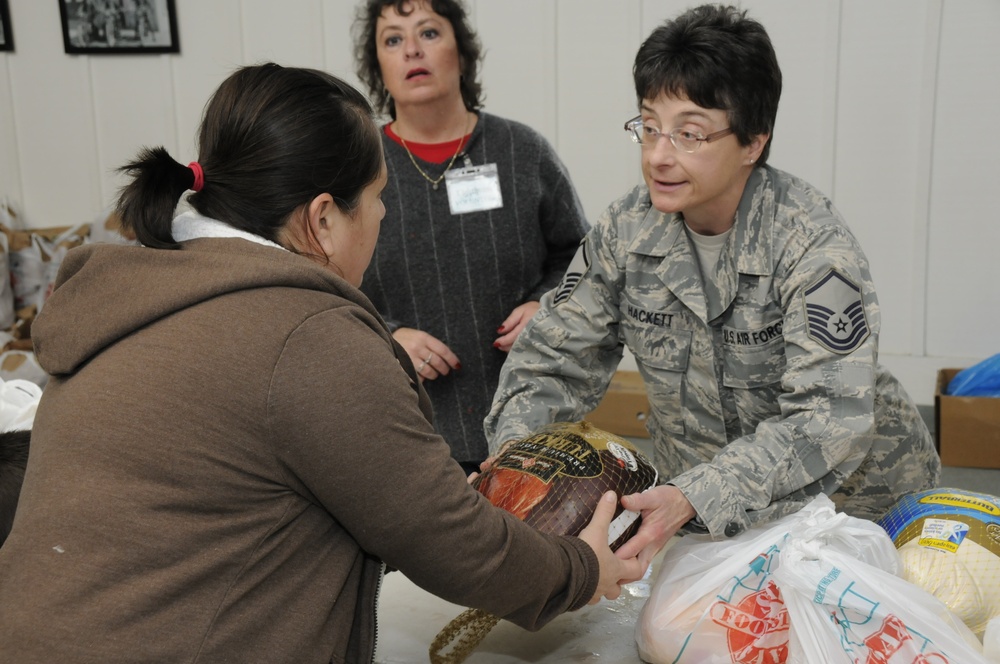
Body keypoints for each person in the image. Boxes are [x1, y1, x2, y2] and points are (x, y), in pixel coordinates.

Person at [0, 63, 642, 663]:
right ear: (323, 220)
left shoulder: (136, 297)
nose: (385, 215)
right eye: (378, 197)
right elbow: (455, 549)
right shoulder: (307, 336)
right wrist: (581, 570)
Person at [485, 4, 940, 568]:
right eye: (649, 127)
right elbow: (551, 359)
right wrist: (518, 459)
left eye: (689, 134)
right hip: (700, 518)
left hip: (852, 511)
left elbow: (827, 417)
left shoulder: (812, 246)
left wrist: (694, 495)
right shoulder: (626, 232)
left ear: (752, 142)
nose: (658, 155)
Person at [352, 0, 589, 473]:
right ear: (378, 66)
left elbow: (582, 258)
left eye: (429, 33)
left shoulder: (523, 150)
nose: (412, 51)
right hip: (402, 434)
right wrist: (387, 335)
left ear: (461, 52)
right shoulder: (353, 166)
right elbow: (320, 287)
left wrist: (548, 302)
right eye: (393, 40)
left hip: (533, 425)